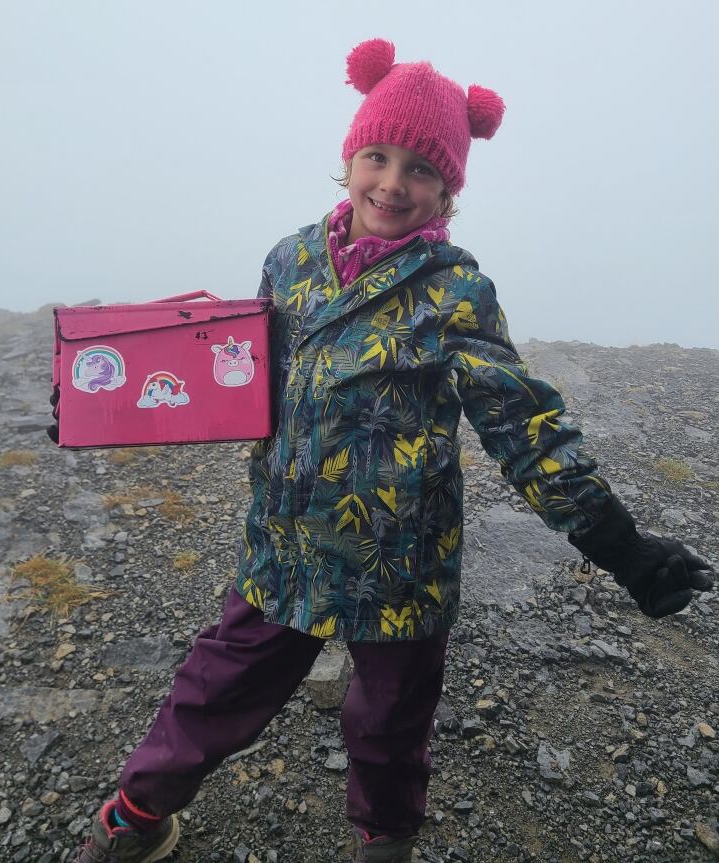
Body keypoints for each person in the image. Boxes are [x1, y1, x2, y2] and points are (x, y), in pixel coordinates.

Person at [71, 38, 714, 863]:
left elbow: (525, 427)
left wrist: (624, 547)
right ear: (349, 159)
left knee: (389, 727)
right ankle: (134, 819)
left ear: (448, 190)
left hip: (400, 566)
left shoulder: (454, 293)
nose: (393, 182)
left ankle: (384, 845)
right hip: (287, 548)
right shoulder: (292, 259)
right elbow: (235, 374)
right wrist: (104, 400)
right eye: (378, 156)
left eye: (420, 168)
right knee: (212, 689)